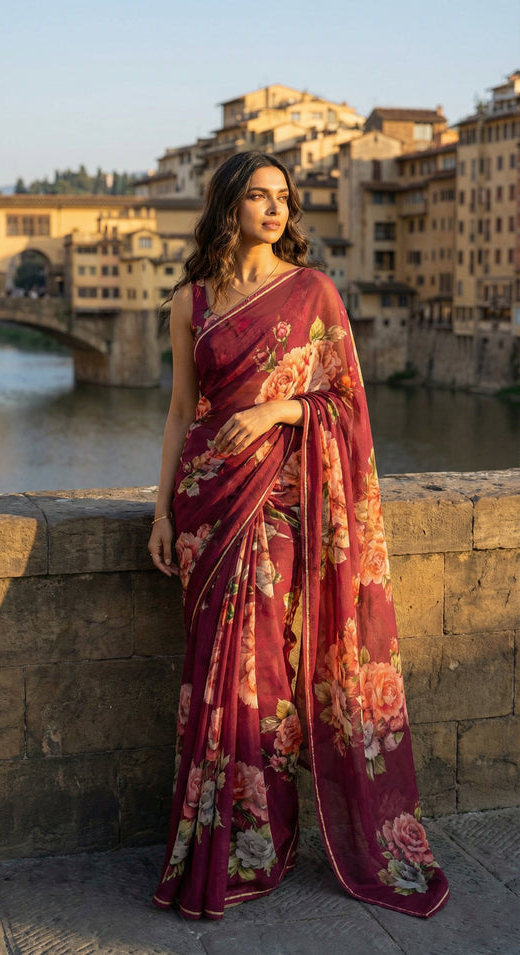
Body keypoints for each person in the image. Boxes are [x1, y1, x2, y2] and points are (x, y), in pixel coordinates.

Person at [148, 151, 449, 921]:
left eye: (283, 196)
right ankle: (208, 834)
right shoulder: (193, 300)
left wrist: (276, 412)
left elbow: (345, 401)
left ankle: (262, 841)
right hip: (203, 505)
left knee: (263, 679)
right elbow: (181, 411)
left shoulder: (313, 292)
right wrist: (159, 511)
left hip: (278, 503)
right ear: (226, 205)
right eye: (257, 195)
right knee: (210, 677)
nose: (275, 208)